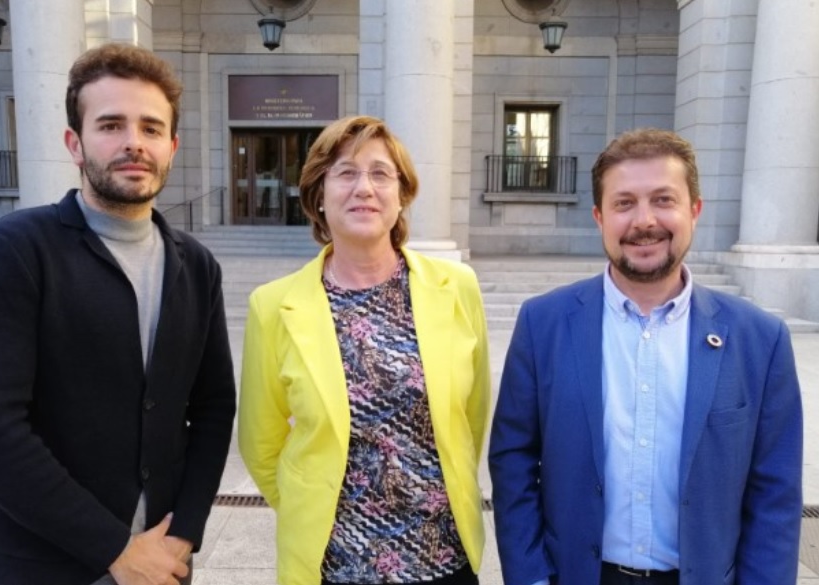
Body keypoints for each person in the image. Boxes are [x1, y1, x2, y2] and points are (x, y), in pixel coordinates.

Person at [0, 43, 236, 585]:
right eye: (110, 125)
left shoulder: (196, 266)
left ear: (172, 146)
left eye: (151, 128)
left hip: (161, 564)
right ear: (74, 143)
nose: (133, 143)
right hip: (36, 568)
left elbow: (215, 408)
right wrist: (114, 550)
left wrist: (183, 534)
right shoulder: (15, 250)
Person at [488, 128, 803, 585]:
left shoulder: (760, 339)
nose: (644, 221)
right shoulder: (544, 324)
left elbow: (775, 493)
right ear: (599, 217)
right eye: (624, 203)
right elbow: (513, 461)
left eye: (663, 199)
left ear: (694, 210)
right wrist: (531, 577)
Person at [238, 115, 490, 585]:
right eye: (346, 173)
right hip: (335, 567)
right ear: (318, 195)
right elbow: (260, 444)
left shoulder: (456, 288)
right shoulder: (274, 307)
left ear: (402, 194)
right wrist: (309, 508)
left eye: (380, 173)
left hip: (443, 560)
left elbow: (471, 418)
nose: (364, 188)